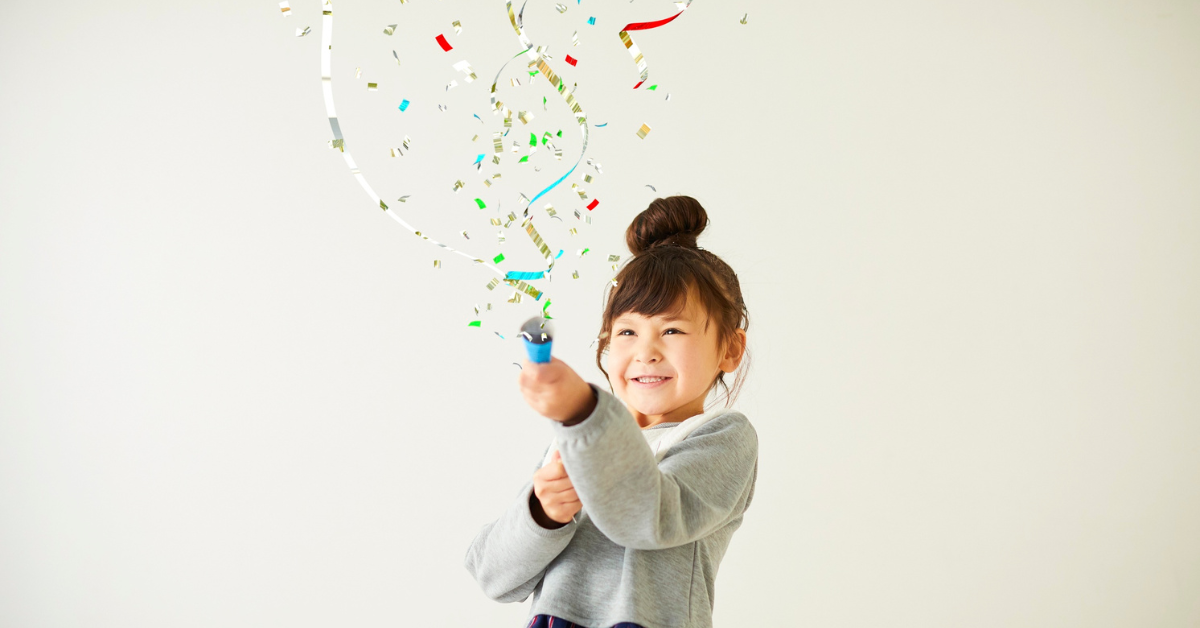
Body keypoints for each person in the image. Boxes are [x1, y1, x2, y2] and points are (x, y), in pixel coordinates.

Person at [464, 196, 757, 628]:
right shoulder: (577, 438)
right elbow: (492, 575)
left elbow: (648, 518)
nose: (646, 352)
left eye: (672, 330)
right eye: (627, 331)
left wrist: (584, 412)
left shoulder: (722, 436)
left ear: (730, 348)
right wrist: (544, 512)